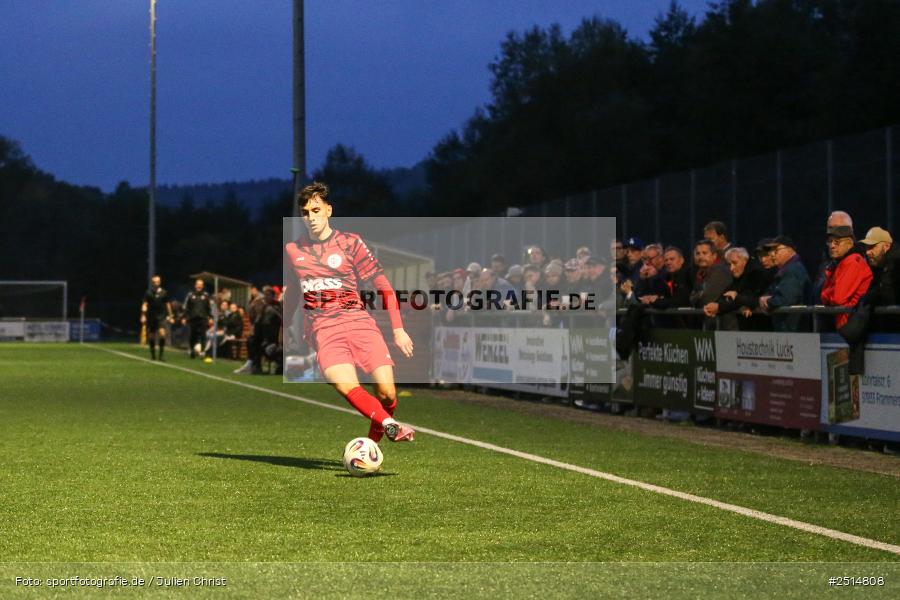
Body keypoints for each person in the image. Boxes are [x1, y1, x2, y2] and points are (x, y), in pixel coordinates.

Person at [283, 181, 415, 443]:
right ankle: (389, 425)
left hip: (359, 324)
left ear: (329, 211)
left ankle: (373, 442)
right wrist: (284, 326)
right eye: (305, 213)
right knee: (345, 384)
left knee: (387, 394)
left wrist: (398, 329)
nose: (310, 217)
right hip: (324, 331)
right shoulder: (293, 250)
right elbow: (294, 292)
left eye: (316, 210)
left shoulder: (350, 243)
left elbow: (384, 288)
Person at [704, 247, 769, 330]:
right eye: (729, 264)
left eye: (735, 263)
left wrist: (719, 307)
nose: (731, 268)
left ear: (744, 260)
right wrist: (714, 305)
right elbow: (728, 294)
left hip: (762, 328)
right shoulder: (739, 276)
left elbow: (749, 298)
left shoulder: (756, 273)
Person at [821, 225, 872, 330]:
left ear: (849, 243)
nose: (832, 246)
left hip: (850, 325)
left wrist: (827, 294)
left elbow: (838, 298)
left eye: (836, 242)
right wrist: (828, 295)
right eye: (830, 242)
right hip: (845, 324)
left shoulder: (853, 261)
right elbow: (823, 298)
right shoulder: (838, 263)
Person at [759, 236, 811, 331]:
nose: (772, 255)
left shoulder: (792, 270)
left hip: (794, 330)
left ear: (789, 250)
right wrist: (765, 297)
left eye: (776, 250)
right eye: (771, 251)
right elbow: (771, 291)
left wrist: (767, 302)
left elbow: (785, 299)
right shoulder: (785, 270)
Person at [860, 227, 900, 332]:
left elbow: (888, 296)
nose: (868, 252)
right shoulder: (876, 264)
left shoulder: (895, 261)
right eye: (867, 248)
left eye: (872, 247)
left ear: (886, 246)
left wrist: (871, 296)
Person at [140, 275, 174, 361]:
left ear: (160, 282)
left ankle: (161, 355)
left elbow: (167, 304)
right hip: (151, 317)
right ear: (152, 283)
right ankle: (153, 355)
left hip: (161, 317)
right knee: (152, 337)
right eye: (154, 282)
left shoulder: (164, 292)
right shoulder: (148, 293)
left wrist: (171, 315)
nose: (156, 283)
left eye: (158, 282)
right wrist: (143, 315)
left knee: (162, 334)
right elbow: (144, 304)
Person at [182, 278, 212, 358]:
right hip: (193, 318)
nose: (199, 286)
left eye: (201, 284)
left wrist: (210, 317)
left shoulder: (206, 295)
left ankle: (202, 351)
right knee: (192, 335)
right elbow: (186, 307)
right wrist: (184, 317)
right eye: (198, 284)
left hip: (203, 318)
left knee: (203, 335)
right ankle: (191, 350)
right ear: (195, 285)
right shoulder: (190, 294)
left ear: (202, 286)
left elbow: (209, 308)